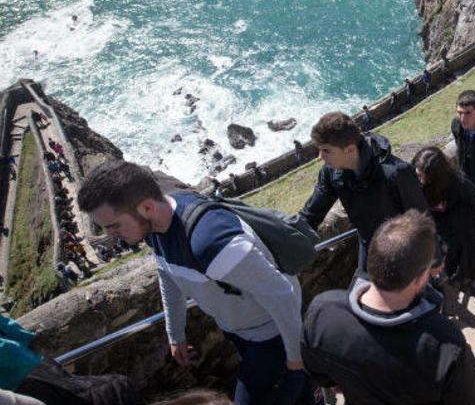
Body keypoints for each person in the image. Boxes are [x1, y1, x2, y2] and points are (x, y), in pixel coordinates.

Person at [77, 161, 311, 405]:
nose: (110, 236)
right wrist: (175, 334)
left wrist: (296, 358)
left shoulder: (215, 245)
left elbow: (282, 295)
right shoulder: (156, 228)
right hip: (241, 332)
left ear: (147, 207)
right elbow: (167, 275)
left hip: (271, 338)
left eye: (113, 226)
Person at [300, 210, 475, 405]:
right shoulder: (444, 346)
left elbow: (317, 371)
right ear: (420, 278)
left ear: (372, 259)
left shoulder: (322, 312)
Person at [299, 112, 427, 269]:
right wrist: (282, 236)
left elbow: (421, 218)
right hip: (369, 246)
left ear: (350, 150)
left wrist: (433, 260)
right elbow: (311, 213)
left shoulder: (396, 173)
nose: (320, 157)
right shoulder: (330, 173)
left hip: (404, 249)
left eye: (326, 151)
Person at [2, 313, 140, 405]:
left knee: (117, 387)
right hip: (23, 373)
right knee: (119, 388)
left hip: (26, 367)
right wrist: (21, 339)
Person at [412, 147, 475, 281]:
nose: (417, 176)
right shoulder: (423, 184)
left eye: (420, 174)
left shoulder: (459, 183)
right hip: (443, 222)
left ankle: (454, 270)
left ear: (434, 174)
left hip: (461, 223)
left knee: (461, 246)